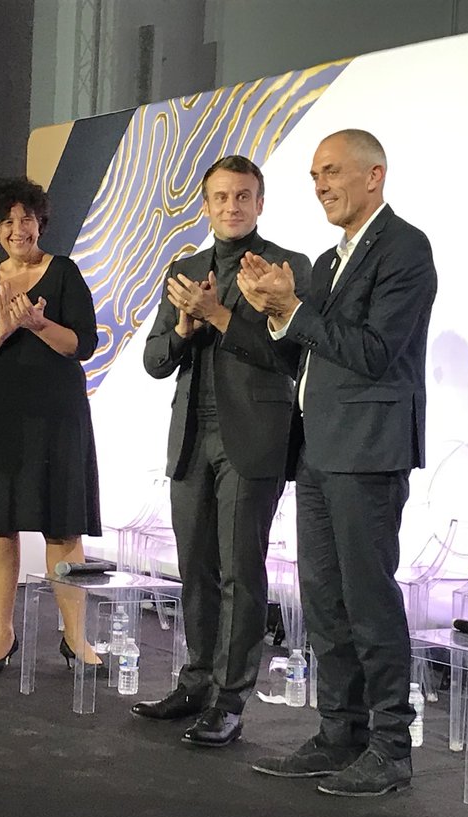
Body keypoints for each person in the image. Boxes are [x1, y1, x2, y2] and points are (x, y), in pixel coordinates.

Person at [237, 129, 437, 795]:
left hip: (369, 450)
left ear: (374, 175)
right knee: (323, 601)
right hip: (319, 451)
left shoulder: (405, 249)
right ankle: (339, 733)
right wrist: (275, 311)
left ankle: (391, 746)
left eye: (332, 171)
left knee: (368, 601)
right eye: (315, 175)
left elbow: (375, 351)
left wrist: (294, 308)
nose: (321, 185)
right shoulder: (327, 261)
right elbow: (309, 350)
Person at [132, 155, 311, 746]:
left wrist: (218, 314)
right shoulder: (184, 269)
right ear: (206, 205)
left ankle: (230, 700)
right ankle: (195, 683)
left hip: (252, 436)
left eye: (242, 196)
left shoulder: (287, 267)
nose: (231, 207)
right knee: (195, 568)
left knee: (240, 572)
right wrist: (186, 327)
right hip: (191, 434)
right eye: (221, 197)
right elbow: (155, 360)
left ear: (260, 202)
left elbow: (286, 354)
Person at [0, 176, 104, 676]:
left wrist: (38, 325)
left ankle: (75, 637)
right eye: (8, 221)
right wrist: (4, 329)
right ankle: (2, 633)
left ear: (41, 223)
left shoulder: (65, 272)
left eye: (27, 218)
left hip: (56, 413)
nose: (19, 229)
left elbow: (82, 344)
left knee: (63, 524)